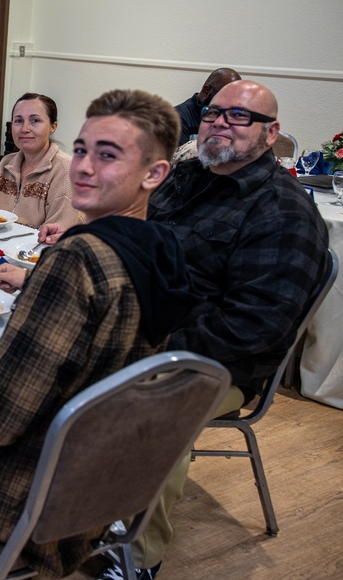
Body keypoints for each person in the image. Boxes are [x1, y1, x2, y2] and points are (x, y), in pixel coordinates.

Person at [0, 89, 197, 578]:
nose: (82, 167)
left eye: (108, 155)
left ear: (154, 174)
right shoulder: (159, 252)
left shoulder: (75, 263)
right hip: (103, 485)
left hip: (26, 495)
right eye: (81, 150)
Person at [93, 79, 330, 580]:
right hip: (145, 322)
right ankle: (55, 497)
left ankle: (136, 556)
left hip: (214, 362)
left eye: (239, 116)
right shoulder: (188, 175)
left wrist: (150, 348)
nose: (220, 122)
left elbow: (253, 326)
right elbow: (135, 229)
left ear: (272, 134)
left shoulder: (283, 213)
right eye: (212, 112)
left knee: (152, 402)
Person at [0, 92, 84, 229]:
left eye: (35, 121)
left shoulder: (65, 169)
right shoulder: (6, 163)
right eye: (18, 121)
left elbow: (58, 232)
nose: (25, 129)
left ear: (53, 127)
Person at [172, 67, 241, 146]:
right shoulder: (177, 118)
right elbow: (177, 157)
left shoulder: (229, 117)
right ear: (206, 91)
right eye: (225, 96)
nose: (231, 103)